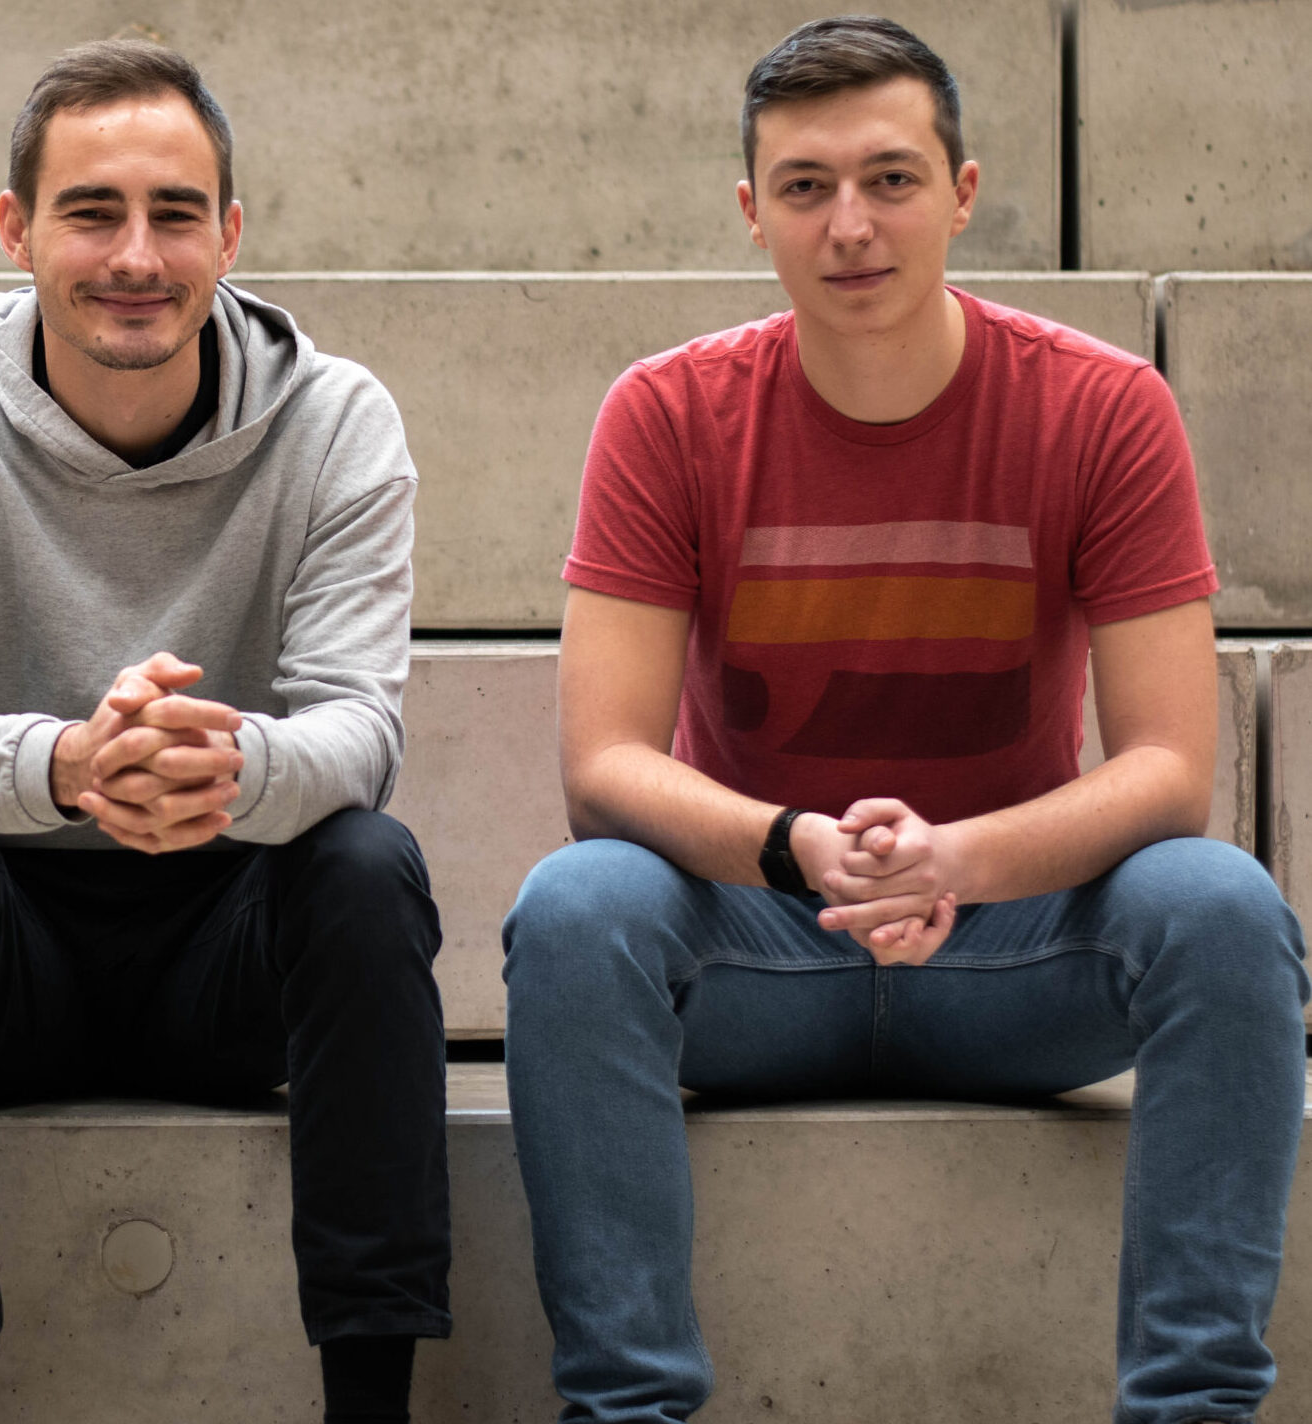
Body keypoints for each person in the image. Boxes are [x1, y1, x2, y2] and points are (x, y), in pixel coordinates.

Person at [502, 16, 1308, 1424]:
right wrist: (796, 844)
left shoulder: (1104, 407)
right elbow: (603, 767)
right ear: (752, 214)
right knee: (577, 909)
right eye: (806, 187)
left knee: (1223, 906)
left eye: (891, 178)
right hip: (761, 945)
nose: (851, 224)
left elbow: (1175, 770)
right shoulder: (668, 413)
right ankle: (627, 1410)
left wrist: (961, 864)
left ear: (965, 192)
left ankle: (1194, 1410)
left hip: (1014, 953)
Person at [0, 39, 449, 1424]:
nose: (135, 255)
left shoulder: (336, 420)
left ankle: (373, 1402)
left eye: (175, 214)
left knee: (368, 864)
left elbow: (356, 729)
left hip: (228, 949)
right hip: (6, 958)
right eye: (91, 211)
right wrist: (69, 765)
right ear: (15, 228)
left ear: (230, 234)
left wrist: (229, 768)